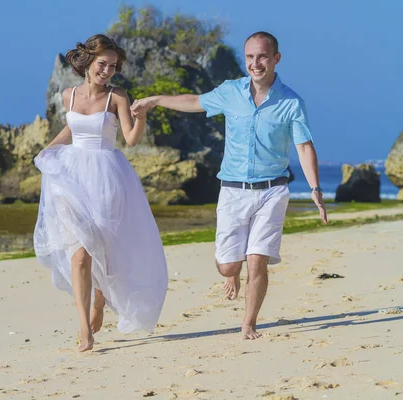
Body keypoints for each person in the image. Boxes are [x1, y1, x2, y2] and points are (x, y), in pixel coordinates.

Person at [131, 31, 328, 340]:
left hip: (273, 190)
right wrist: (156, 101)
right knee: (227, 266)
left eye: (262, 56)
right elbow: (195, 101)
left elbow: (304, 147)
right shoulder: (230, 91)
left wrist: (316, 189)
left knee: (258, 259)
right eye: (250, 57)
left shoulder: (291, 102)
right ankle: (231, 274)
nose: (256, 63)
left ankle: (249, 322)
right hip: (233, 190)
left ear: (276, 58)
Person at [33, 34, 168, 351]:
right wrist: (48, 151)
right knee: (78, 257)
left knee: (105, 253)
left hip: (107, 179)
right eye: (102, 64)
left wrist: (142, 117)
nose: (106, 71)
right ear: (88, 63)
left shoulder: (116, 97)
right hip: (70, 178)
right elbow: (72, 129)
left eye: (112, 66)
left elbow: (131, 139)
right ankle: (84, 329)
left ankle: (101, 297)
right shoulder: (68, 95)